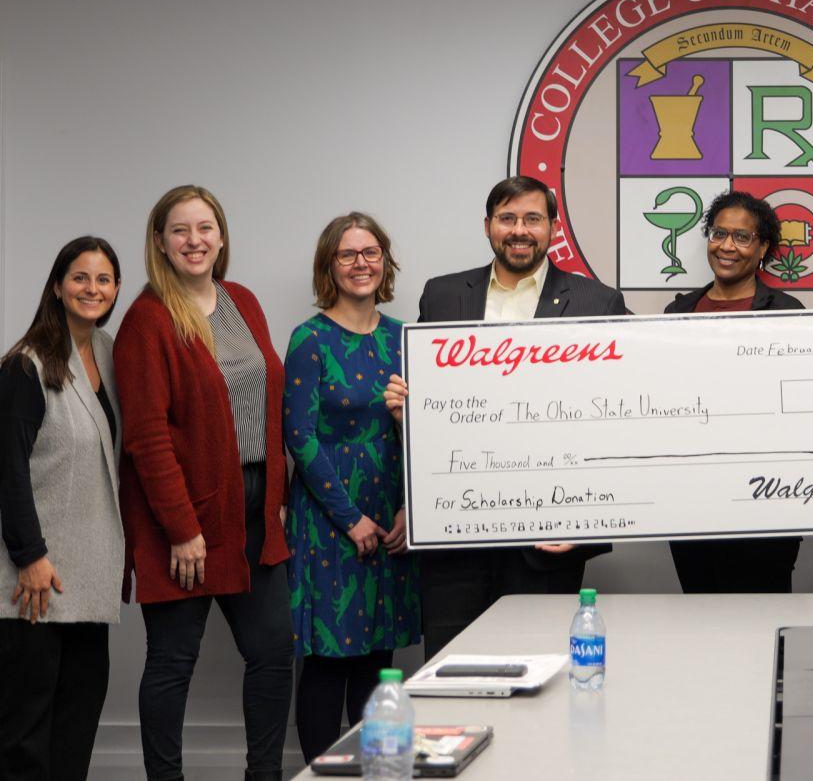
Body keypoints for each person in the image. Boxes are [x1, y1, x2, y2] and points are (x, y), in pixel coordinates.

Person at [385, 175, 627, 659]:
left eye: (533, 218)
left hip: (549, 536)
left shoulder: (597, 303)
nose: (520, 230)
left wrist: (586, 522)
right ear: (488, 227)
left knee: (539, 672)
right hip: (454, 535)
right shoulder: (443, 295)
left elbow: (621, 417)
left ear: (553, 228)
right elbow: (435, 413)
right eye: (508, 218)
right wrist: (405, 415)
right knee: (453, 669)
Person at [114, 186, 293, 781]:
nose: (195, 241)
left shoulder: (241, 299)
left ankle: (263, 775)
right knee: (171, 663)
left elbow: (268, 401)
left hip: (252, 511)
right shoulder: (148, 318)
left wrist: (276, 499)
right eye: (180, 230)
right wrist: (182, 528)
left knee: (272, 654)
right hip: (185, 519)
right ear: (160, 242)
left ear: (221, 235)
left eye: (205, 227)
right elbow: (147, 436)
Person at [285, 213, 421, 761]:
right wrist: (351, 519)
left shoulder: (403, 338)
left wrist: (413, 509)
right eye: (348, 255)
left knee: (377, 660)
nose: (361, 263)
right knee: (326, 661)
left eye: (371, 253)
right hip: (329, 525)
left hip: (391, 521)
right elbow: (300, 439)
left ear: (384, 261)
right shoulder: (310, 339)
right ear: (329, 266)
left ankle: (377, 770)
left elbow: (427, 433)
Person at [0, 236, 124, 780]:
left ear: (116, 288)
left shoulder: (107, 352)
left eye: (103, 279)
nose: (91, 289)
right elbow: (7, 469)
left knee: (78, 719)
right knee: (26, 729)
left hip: (90, 575)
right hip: (36, 576)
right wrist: (29, 554)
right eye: (79, 277)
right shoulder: (25, 366)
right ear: (57, 285)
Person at [661, 190, 805, 592]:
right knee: (700, 612)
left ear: (763, 249)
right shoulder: (678, 313)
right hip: (693, 500)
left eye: (742, 237)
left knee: (764, 612)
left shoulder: (787, 313)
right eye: (719, 233)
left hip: (767, 500)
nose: (727, 246)